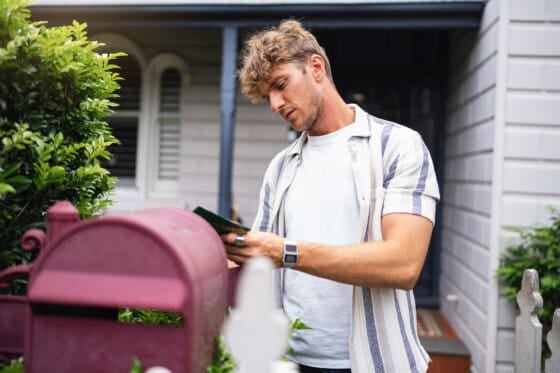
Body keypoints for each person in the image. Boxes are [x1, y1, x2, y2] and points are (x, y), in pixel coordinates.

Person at [223, 19, 440, 373]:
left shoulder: (397, 147)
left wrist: (285, 251)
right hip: (288, 359)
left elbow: (404, 264)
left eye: (280, 85)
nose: (275, 104)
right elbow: (259, 261)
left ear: (316, 67)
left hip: (373, 361)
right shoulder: (281, 167)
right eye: (268, 96)